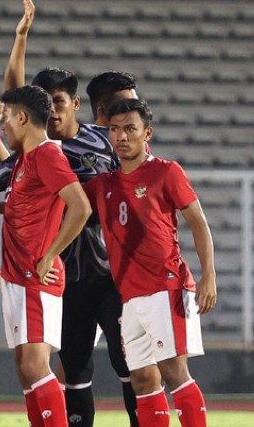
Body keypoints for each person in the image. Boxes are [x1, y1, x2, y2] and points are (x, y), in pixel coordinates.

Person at [0, 0, 141, 427]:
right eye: (44, 104)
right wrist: (21, 39)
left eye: (58, 103)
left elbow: (126, 187)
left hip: (107, 271)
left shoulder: (102, 141)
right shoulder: (37, 152)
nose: (50, 111)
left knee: (132, 365)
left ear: (75, 106)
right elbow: (8, 157)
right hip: (63, 276)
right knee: (73, 372)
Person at [84, 98, 217, 427]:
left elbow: (198, 223)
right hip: (130, 297)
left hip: (166, 286)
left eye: (130, 129)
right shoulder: (104, 185)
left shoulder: (166, 172)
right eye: (115, 130)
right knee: (143, 380)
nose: (122, 137)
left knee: (174, 372)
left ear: (147, 134)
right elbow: (66, 203)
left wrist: (208, 277)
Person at [0, 85, 91, 427]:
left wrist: (50, 255)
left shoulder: (47, 155)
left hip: (35, 276)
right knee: (24, 368)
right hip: (18, 275)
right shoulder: (26, 159)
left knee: (34, 365)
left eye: (8, 119)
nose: (6, 125)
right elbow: (27, 205)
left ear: (23, 117)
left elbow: (80, 207)